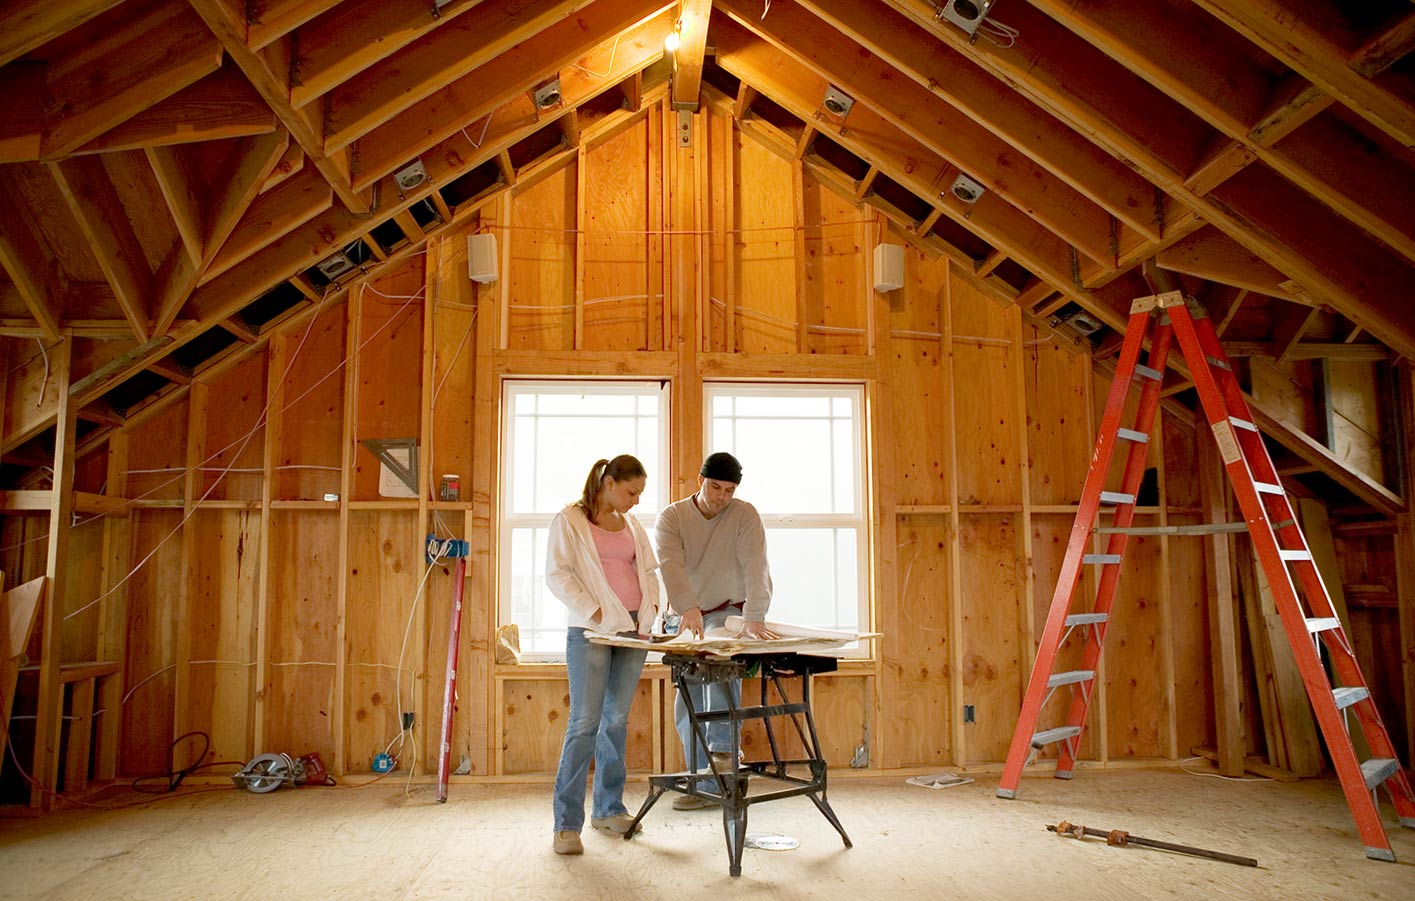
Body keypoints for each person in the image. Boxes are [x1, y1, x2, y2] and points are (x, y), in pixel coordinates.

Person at [546, 455, 661, 856]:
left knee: (615, 720)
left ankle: (609, 809)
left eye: (640, 494)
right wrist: (595, 612)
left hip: (633, 630)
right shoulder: (571, 521)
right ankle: (566, 824)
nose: (636, 501)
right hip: (591, 630)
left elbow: (648, 571)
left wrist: (651, 611)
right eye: (631, 492)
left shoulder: (632, 524)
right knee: (584, 722)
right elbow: (558, 574)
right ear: (608, 482)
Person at [655, 451, 775, 810]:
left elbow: (756, 564)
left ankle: (722, 761)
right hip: (686, 611)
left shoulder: (744, 515)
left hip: (728, 611)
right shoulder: (672, 517)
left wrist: (755, 614)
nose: (721, 496)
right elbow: (670, 565)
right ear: (700, 480)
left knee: (721, 676)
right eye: (714, 487)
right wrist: (687, 606)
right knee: (687, 698)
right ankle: (701, 781)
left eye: (729, 490)